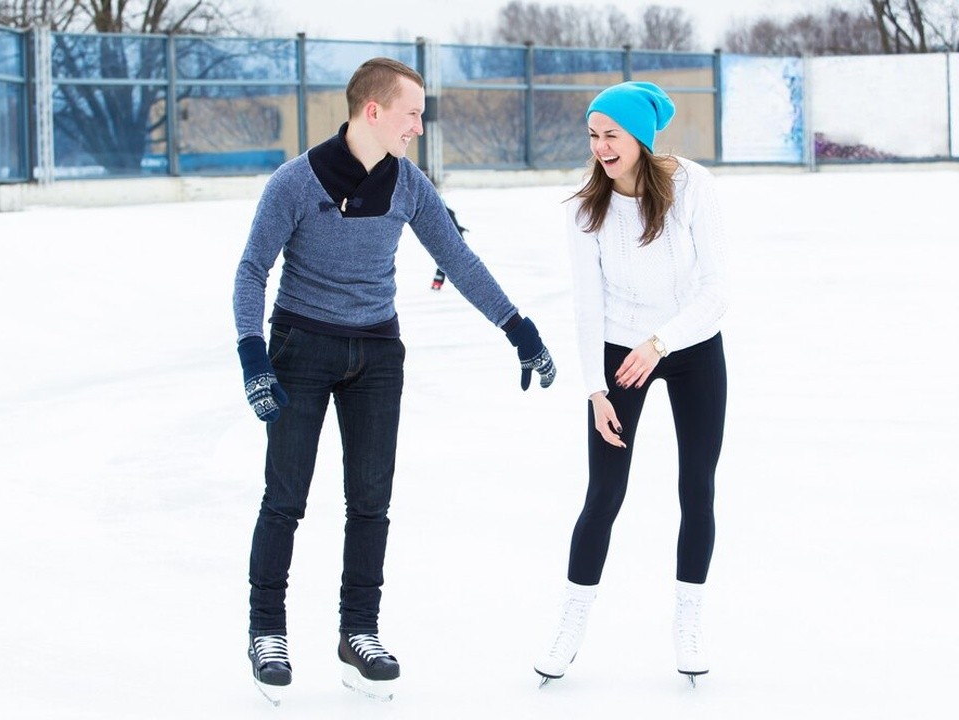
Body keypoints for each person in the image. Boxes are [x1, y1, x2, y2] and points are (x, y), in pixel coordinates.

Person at [233, 57, 557, 702]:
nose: (419, 125)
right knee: (285, 497)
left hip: (378, 354)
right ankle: (266, 629)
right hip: (302, 347)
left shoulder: (408, 183)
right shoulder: (294, 182)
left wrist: (518, 328)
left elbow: (456, 258)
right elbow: (251, 271)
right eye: (413, 113)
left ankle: (359, 632)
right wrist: (253, 357)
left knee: (371, 502)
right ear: (373, 111)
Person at [533, 81, 727, 687]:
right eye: (593, 135)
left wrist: (660, 342)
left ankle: (689, 620)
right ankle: (570, 624)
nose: (600, 147)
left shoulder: (692, 186)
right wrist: (595, 391)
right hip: (619, 354)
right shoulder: (585, 210)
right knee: (603, 493)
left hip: (690, 345)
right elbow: (587, 306)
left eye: (611, 135)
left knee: (697, 486)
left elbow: (716, 291)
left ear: (640, 137)